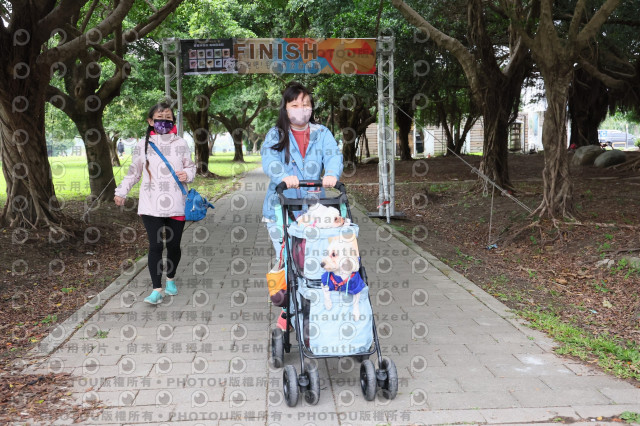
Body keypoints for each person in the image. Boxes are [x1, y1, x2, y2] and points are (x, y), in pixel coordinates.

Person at [261, 82, 343, 329]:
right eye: (295, 104)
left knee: (315, 260)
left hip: (313, 210)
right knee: (289, 261)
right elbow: (270, 159)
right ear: (285, 108)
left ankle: (316, 305)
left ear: (311, 107)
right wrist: (283, 177)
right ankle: (288, 310)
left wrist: (331, 174)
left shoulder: (322, 133)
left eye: (305, 104)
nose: (301, 109)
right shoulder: (276, 134)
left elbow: (333, 155)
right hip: (281, 209)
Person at [114, 102, 196, 305]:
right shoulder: (143, 144)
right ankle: (156, 289)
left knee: (174, 246)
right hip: (151, 204)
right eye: (160, 118)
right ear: (150, 121)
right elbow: (134, 173)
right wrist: (122, 191)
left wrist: (188, 174)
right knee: (156, 246)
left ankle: (171, 279)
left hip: (177, 203)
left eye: (168, 118)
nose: (164, 122)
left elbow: (191, 166)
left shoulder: (181, 143)